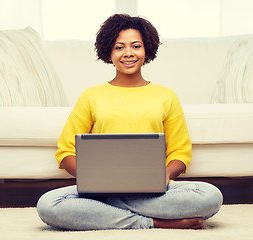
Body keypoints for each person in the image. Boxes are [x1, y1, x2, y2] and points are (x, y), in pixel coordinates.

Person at [37, 13, 223, 230]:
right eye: (119, 47)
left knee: (211, 196)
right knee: (48, 204)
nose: (128, 53)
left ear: (147, 49)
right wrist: (93, 180)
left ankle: (111, 209)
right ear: (109, 51)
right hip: (99, 191)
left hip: (152, 190)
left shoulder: (166, 96)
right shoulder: (91, 95)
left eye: (135, 46)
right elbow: (65, 151)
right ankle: (153, 222)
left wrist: (166, 174)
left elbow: (180, 152)